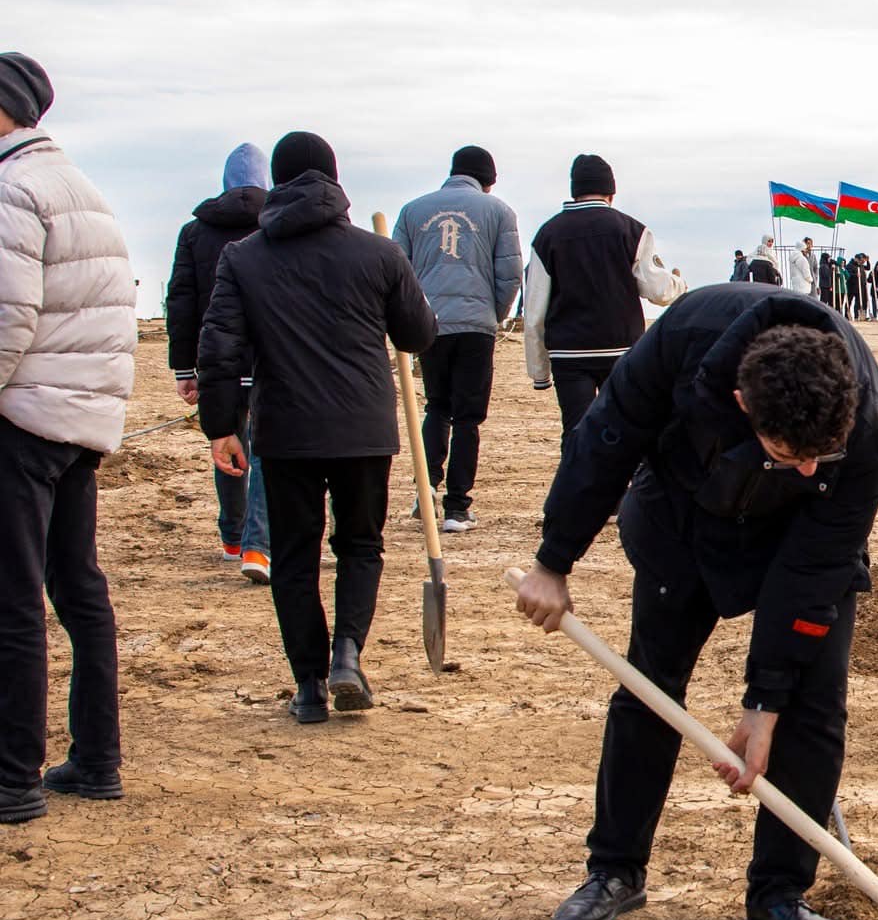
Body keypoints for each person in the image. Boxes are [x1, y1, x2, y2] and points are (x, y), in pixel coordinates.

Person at [515, 283, 878, 920]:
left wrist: (764, 701)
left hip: (801, 539)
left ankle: (779, 896)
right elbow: (605, 439)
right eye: (792, 454)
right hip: (683, 520)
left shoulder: (864, 423)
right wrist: (554, 558)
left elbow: (814, 567)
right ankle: (615, 869)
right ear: (743, 403)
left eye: (822, 454)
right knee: (649, 687)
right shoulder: (685, 338)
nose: (810, 466)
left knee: (813, 705)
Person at [198, 131, 437, 723]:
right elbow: (418, 334)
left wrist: (221, 426)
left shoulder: (244, 257)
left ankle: (309, 685)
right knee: (360, 545)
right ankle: (347, 654)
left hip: (287, 431)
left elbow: (219, 348)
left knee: (294, 556)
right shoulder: (378, 253)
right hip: (363, 427)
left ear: (277, 183)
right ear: (334, 179)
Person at [0, 52, 135, 822]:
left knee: (13, 597)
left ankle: (11, 777)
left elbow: (8, 313)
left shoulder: (14, 188)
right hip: (81, 423)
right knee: (77, 588)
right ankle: (96, 757)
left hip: (24, 418)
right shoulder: (80, 188)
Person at [393, 145, 521, 532]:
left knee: (437, 406)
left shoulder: (413, 210)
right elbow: (510, 273)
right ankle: (457, 507)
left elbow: (398, 271)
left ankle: (426, 490)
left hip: (430, 323)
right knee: (468, 417)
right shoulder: (499, 211)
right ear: (488, 180)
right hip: (476, 326)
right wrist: (494, 314)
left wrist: (411, 317)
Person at [524, 155, 686, 450]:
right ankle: (622, 482)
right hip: (620, 348)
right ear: (611, 192)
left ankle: (577, 480)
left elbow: (535, 309)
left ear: (575, 191)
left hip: (568, 353)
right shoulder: (631, 230)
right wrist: (679, 284)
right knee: (624, 427)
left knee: (576, 431)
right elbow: (657, 290)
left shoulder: (547, 234)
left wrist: (539, 372)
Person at [167, 142, 272, 580]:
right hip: (268, 358)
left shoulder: (195, 232)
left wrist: (185, 368)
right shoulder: (277, 224)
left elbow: (181, 302)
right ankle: (257, 546)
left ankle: (233, 537)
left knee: (226, 441)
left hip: (216, 358)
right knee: (265, 449)